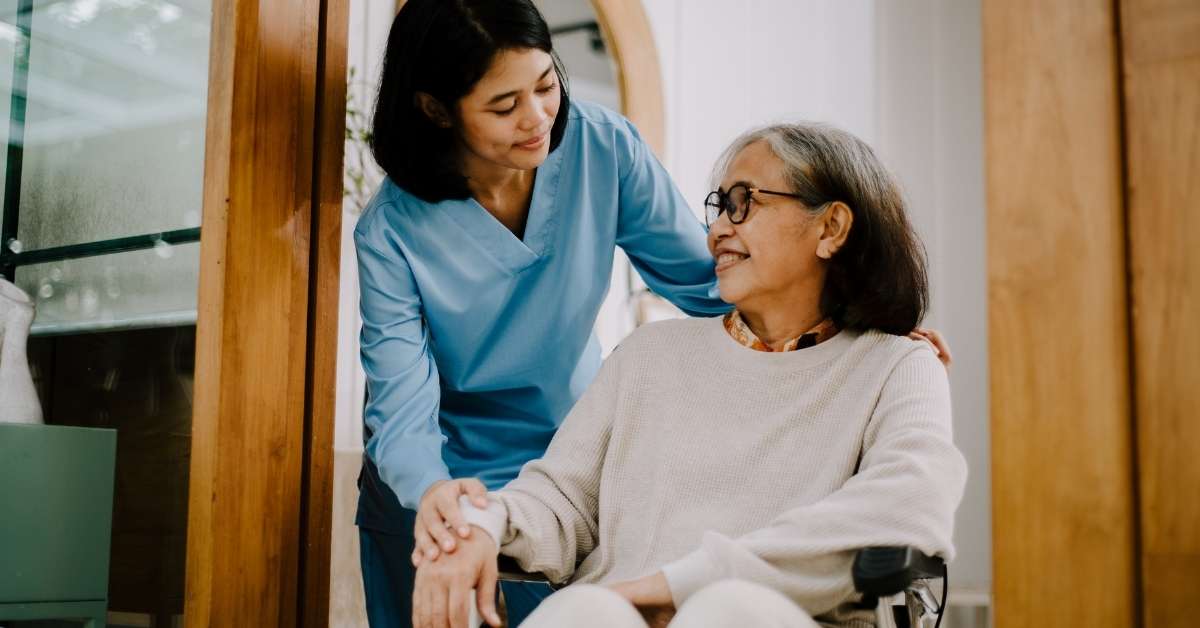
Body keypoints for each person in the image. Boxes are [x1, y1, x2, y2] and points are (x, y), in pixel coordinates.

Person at [410, 122, 968, 628]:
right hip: (613, 613)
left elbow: (909, 503)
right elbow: (561, 504)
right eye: (718, 207)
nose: (717, 231)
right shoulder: (648, 356)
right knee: (585, 611)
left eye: (744, 203)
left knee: (725, 610)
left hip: (769, 617)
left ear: (831, 226)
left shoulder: (896, 366)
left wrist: (671, 588)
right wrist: (482, 523)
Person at [355, 1, 731, 625]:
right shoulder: (391, 231)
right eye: (504, 106)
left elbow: (708, 279)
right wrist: (436, 497)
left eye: (546, 84)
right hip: (434, 482)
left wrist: (849, 316)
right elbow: (401, 404)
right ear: (435, 108)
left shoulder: (602, 146)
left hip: (561, 468)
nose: (537, 120)